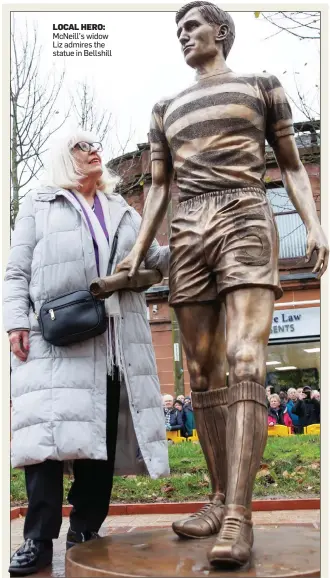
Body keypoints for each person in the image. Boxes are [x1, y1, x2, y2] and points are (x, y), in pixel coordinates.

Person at [116, 1, 328, 568]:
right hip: (188, 228)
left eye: (192, 26)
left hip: (245, 216)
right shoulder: (165, 107)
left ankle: (239, 513)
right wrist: (138, 252)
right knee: (201, 369)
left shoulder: (262, 85)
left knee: (245, 359)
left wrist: (313, 222)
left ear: (222, 32)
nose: (183, 35)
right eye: (177, 29)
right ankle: (215, 499)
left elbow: (288, 165)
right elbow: (159, 188)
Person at [4, 129, 170, 577]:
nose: (93, 150)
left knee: (97, 443)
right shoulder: (40, 204)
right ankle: (37, 541)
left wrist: (193, 242)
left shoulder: (123, 210)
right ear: (64, 157)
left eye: (95, 144)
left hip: (113, 340)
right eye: (82, 146)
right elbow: (16, 270)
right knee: (46, 443)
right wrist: (16, 321)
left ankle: (85, 530)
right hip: (52, 338)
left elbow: (153, 259)